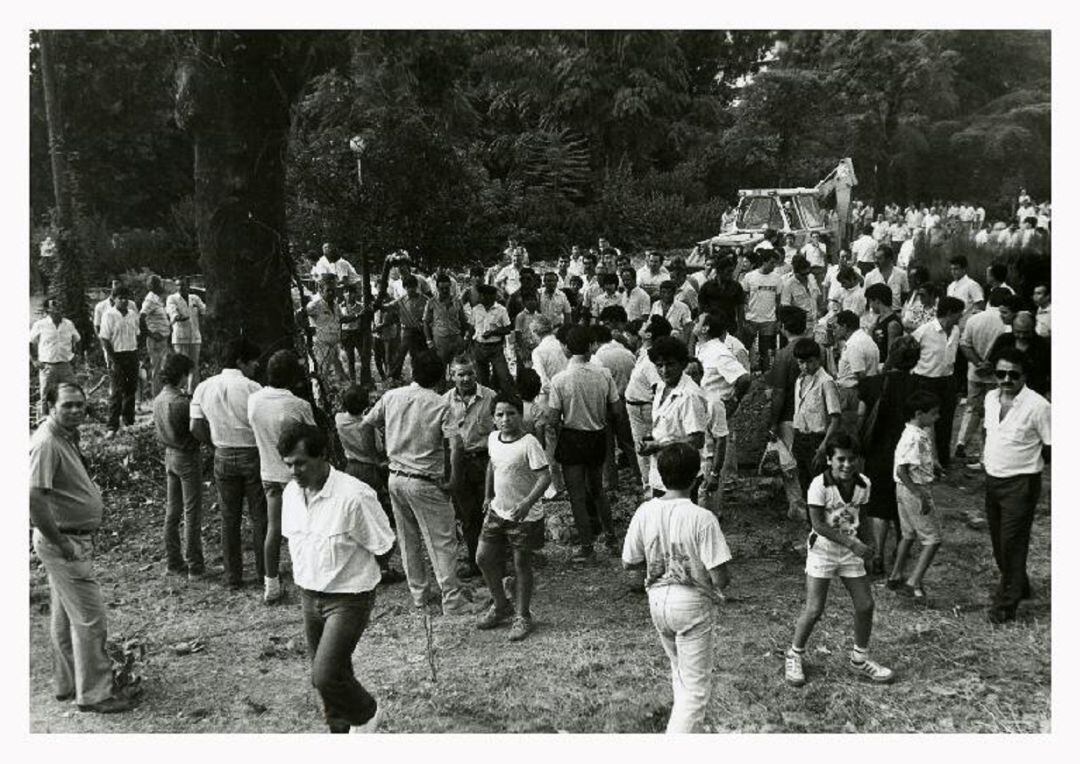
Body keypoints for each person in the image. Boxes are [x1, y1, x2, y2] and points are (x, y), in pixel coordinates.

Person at [278, 422, 393, 733]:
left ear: (322, 456)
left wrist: (354, 574)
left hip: (348, 598)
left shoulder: (354, 496)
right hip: (309, 595)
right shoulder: (291, 493)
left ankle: (368, 716)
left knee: (325, 675)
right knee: (331, 676)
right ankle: (340, 733)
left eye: (300, 463)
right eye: (288, 464)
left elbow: (384, 545)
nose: (294, 471)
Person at [30, 381, 135, 713]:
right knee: (91, 618)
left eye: (80, 404)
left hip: (70, 537)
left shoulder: (63, 436)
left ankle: (69, 683)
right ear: (50, 406)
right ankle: (95, 694)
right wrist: (62, 543)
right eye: (67, 405)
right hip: (65, 541)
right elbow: (34, 497)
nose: (75, 410)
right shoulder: (46, 442)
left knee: (65, 616)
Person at [622, 442, 732, 733]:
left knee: (680, 671)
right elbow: (721, 577)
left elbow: (629, 562)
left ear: (660, 474)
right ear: (696, 478)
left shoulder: (646, 511)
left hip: (657, 599)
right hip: (691, 603)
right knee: (696, 690)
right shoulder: (702, 517)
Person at [361, 351, 477, 615]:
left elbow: (366, 425)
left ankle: (420, 596)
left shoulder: (392, 396)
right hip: (425, 479)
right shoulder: (439, 404)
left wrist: (375, 456)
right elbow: (456, 445)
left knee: (408, 539)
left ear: (413, 372)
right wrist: (454, 480)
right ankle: (452, 598)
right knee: (442, 541)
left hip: (396, 477)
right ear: (441, 377)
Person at [784, 433, 893, 688]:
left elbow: (862, 517)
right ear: (829, 460)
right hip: (823, 550)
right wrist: (852, 543)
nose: (847, 465)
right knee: (814, 609)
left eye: (852, 459)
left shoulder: (863, 484)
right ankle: (794, 654)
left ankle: (859, 658)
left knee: (865, 605)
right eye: (840, 459)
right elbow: (818, 525)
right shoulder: (819, 486)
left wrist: (870, 545)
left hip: (850, 550)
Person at [190, 337, 266, 590]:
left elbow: (195, 425)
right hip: (252, 452)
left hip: (222, 452)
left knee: (229, 517)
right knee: (258, 516)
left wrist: (213, 445)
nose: (255, 365)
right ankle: (265, 572)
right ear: (240, 361)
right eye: (252, 361)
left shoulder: (204, 387)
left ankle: (233, 576)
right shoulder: (252, 387)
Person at [475, 393, 552, 642]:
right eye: (500, 414)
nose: (505, 419)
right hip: (498, 510)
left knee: (521, 565)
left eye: (511, 413)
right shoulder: (493, 439)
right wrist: (488, 495)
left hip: (524, 517)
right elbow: (492, 465)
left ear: (520, 415)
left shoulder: (529, 443)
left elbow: (544, 477)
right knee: (483, 558)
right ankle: (500, 604)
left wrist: (527, 503)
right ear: (493, 419)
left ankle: (522, 615)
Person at [981, 348, 1050, 624]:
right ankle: (1019, 583)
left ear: (1024, 376)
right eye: (1000, 373)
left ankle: (1007, 602)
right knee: (999, 542)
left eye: (1013, 374)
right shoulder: (989, 398)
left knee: (1012, 543)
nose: (1006, 379)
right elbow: (988, 432)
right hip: (992, 480)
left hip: (1021, 483)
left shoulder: (1038, 406)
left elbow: (1052, 444)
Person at [247, 350, 316, 604]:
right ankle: (310, 579)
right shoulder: (298, 405)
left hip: (269, 472)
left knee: (273, 529)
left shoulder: (254, 401)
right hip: (296, 476)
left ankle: (271, 584)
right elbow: (313, 438)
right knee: (307, 528)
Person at [548, 326, 622, 562]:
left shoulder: (560, 380)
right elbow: (617, 410)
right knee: (598, 490)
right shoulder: (604, 374)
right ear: (591, 347)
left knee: (577, 495)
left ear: (567, 349)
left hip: (572, 436)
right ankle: (611, 538)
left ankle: (587, 546)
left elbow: (551, 419)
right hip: (597, 435)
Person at [335, 386, 405, 585]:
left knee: (356, 518)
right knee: (378, 518)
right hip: (368, 470)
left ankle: (360, 564)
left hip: (351, 468)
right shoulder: (366, 426)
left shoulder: (340, 420)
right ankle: (381, 565)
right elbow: (377, 449)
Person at [443, 355, 498, 580]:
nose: (466, 378)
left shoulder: (490, 397)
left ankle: (495, 563)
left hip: (485, 461)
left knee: (491, 513)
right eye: (460, 374)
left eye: (470, 373)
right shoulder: (444, 401)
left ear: (476, 374)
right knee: (467, 515)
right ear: (452, 376)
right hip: (459, 463)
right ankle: (476, 563)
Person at [153, 353, 204, 579]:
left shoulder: (158, 399)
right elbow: (196, 429)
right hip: (186, 456)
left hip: (169, 455)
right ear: (182, 375)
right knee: (192, 512)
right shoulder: (182, 403)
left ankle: (174, 562)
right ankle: (195, 565)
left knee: (172, 512)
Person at [887, 391, 943, 600]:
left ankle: (896, 575)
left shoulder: (912, 433)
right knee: (933, 539)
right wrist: (920, 495)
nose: (936, 418)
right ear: (919, 414)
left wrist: (932, 466)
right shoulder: (915, 437)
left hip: (904, 489)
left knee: (909, 534)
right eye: (934, 414)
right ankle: (913, 581)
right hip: (914, 489)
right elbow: (902, 470)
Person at [640, 337, 707, 499]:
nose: (664, 371)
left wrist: (659, 445)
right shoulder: (662, 387)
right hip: (661, 471)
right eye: (659, 366)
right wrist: (650, 440)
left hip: (682, 475)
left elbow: (697, 440)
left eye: (670, 364)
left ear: (682, 364)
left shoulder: (690, 395)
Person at [954, 288, 1009, 464]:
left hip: (975, 372)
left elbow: (964, 345)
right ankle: (985, 453)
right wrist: (989, 365)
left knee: (972, 408)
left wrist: (978, 363)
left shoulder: (974, 319)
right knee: (992, 412)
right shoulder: (1006, 323)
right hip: (997, 375)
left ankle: (962, 441)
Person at [910, 296, 965, 468]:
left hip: (947, 381)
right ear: (949, 313)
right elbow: (908, 350)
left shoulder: (955, 331)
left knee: (946, 421)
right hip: (925, 381)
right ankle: (923, 461)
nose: (961, 317)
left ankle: (943, 459)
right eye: (959, 314)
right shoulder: (924, 331)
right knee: (925, 424)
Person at [624, 316, 671, 494]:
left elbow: (658, 386)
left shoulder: (652, 358)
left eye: (645, 324)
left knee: (646, 449)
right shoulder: (645, 352)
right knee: (643, 449)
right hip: (638, 406)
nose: (641, 325)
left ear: (649, 333)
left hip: (644, 407)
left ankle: (652, 488)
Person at [791, 338, 842, 497]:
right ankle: (811, 521)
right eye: (801, 362)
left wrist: (823, 447)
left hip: (818, 440)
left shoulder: (826, 382)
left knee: (820, 487)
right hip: (800, 438)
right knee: (805, 485)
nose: (805, 366)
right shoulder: (799, 381)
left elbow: (835, 418)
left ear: (818, 360)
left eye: (810, 362)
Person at [593, 324, 640, 490]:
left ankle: (610, 481)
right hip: (627, 399)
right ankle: (640, 475)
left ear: (595, 342)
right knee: (629, 442)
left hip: (608, 403)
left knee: (607, 446)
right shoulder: (628, 353)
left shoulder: (598, 358)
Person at [98, 285, 141, 437]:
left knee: (131, 389)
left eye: (125, 298)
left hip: (132, 354)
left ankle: (129, 422)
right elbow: (104, 338)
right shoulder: (108, 315)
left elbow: (137, 334)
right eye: (120, 298)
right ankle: (112, 427)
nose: (123, 301)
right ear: (114, 299)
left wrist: (136, 353)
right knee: (116, 392)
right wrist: (113, 359)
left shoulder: (132, 314)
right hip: (117, 356)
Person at [30, 298, 80, 420]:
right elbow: (30, 343)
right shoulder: (40, 325)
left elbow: (77, 340)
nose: (58, 307)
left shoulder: (68, 324)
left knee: (71, 392)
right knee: (46, 395)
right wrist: (34, 360)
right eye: (54, 305)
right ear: (48, 310)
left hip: (65, 365)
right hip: (47, 366)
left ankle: (67, 420)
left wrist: (75, 355)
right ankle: (44, 422)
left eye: (59, 305)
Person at [834, 310, 880, 436]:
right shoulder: (866, 339)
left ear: (844, 326)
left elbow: (861, 375)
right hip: (862, 391)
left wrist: (862, 400)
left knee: (847, 433)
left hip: (853, 394)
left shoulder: (854, 344)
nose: (835, 330)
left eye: (837, 326)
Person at [986, 312, 1050, 399]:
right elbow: (992, 362)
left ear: (1033, 328)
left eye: (1026, 332)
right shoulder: (1004, 340)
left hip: (1034, 392)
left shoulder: (1044, 345)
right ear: (1012, 328)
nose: (1021, 336)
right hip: (1006, 389)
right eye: (1017, 332)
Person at [740, 247, 782, 372]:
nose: (774, 266)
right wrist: (743, 319)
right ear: (764, 261)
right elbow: (743, 299)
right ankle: (745, 373)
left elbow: (778, 302)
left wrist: (778, 320)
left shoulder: (777, 278)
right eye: (772, 262)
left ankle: (765, 378)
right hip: (751, 319)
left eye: (775, 263)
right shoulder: (749, 277)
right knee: (745, 349)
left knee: (766, 353)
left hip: (769, 321)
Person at [305, 276, 349, 389]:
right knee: (320, 374)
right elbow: (299, 316)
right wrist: (308, 330)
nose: (331, 293)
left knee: (337, 374)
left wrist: (359, 315)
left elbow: (342, 318)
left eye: (333, 290)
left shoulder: (335, 305)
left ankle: (331, 397)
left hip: (334, 346)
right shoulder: (314, 305)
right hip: (320, 346)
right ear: (321, 290)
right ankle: (319, 400)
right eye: (328, 290)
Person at [470, 285, 514, 395]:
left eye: (482, 295)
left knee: (503, 376)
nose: (479, 297)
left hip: (495, 348)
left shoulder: (501, 310)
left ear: (488, 297)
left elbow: (508, 328)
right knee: (482, 378)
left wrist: (493, 332)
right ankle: (486, 401)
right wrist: (469, 344)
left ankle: (507, 398)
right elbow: (471, 328)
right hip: (479, 347)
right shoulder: (476, 310)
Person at [140, 274, 172, 397]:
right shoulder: (149, 300)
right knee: (157, 368)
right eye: (158, 284)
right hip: (156, 340)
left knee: (163, 367)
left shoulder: (157, 299)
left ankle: (162, 394)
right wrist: (151, 334)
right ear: (152, 286)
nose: (161, 286)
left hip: (163, 338)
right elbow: (141, 318)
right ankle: (157, 396)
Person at [865, 283, 903, 368]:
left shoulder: (892, 324)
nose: (870, 305)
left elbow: (891, 354)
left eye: (871, 301)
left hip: (884, 368)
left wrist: (884, 370)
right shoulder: (879, 319)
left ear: (877, 301)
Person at [861, 245, 908, 312]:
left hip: (896, 313)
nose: (876, 261)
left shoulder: (901, 274)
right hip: (876, 314)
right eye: (875, 258)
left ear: (889, 259)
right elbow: (866, 299)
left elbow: (905, 296)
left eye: (879, 258)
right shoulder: (870, 276)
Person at [780, 255, 822, 325]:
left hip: (814, 322)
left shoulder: (811, 278)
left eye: (807, 273)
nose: (806, 276)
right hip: (798, 324)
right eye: (803, 274)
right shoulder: (788, 284)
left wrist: (819, 311)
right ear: (796, 272)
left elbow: (817, 296)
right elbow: (785, 307)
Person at [651, 280, 694, 345]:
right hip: (656, 341)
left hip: (675, 342)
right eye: (663, 292)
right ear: (659, 293)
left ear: (674, 293)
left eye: (669, 292)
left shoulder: (683, 307)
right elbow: (650, 322)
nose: (666, 295)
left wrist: (685, 344)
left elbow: (688, 327)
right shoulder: (655, 305)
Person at [513, 291, 541, 370]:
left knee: (535, 367)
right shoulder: (521, 316)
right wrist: (523, 348)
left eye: (534, 300)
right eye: (529, 300)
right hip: (525, 346)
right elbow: (518, 333)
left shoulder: (538, 315)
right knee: (524, 368)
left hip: (536, 345)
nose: (532, 302)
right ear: (524, 303)